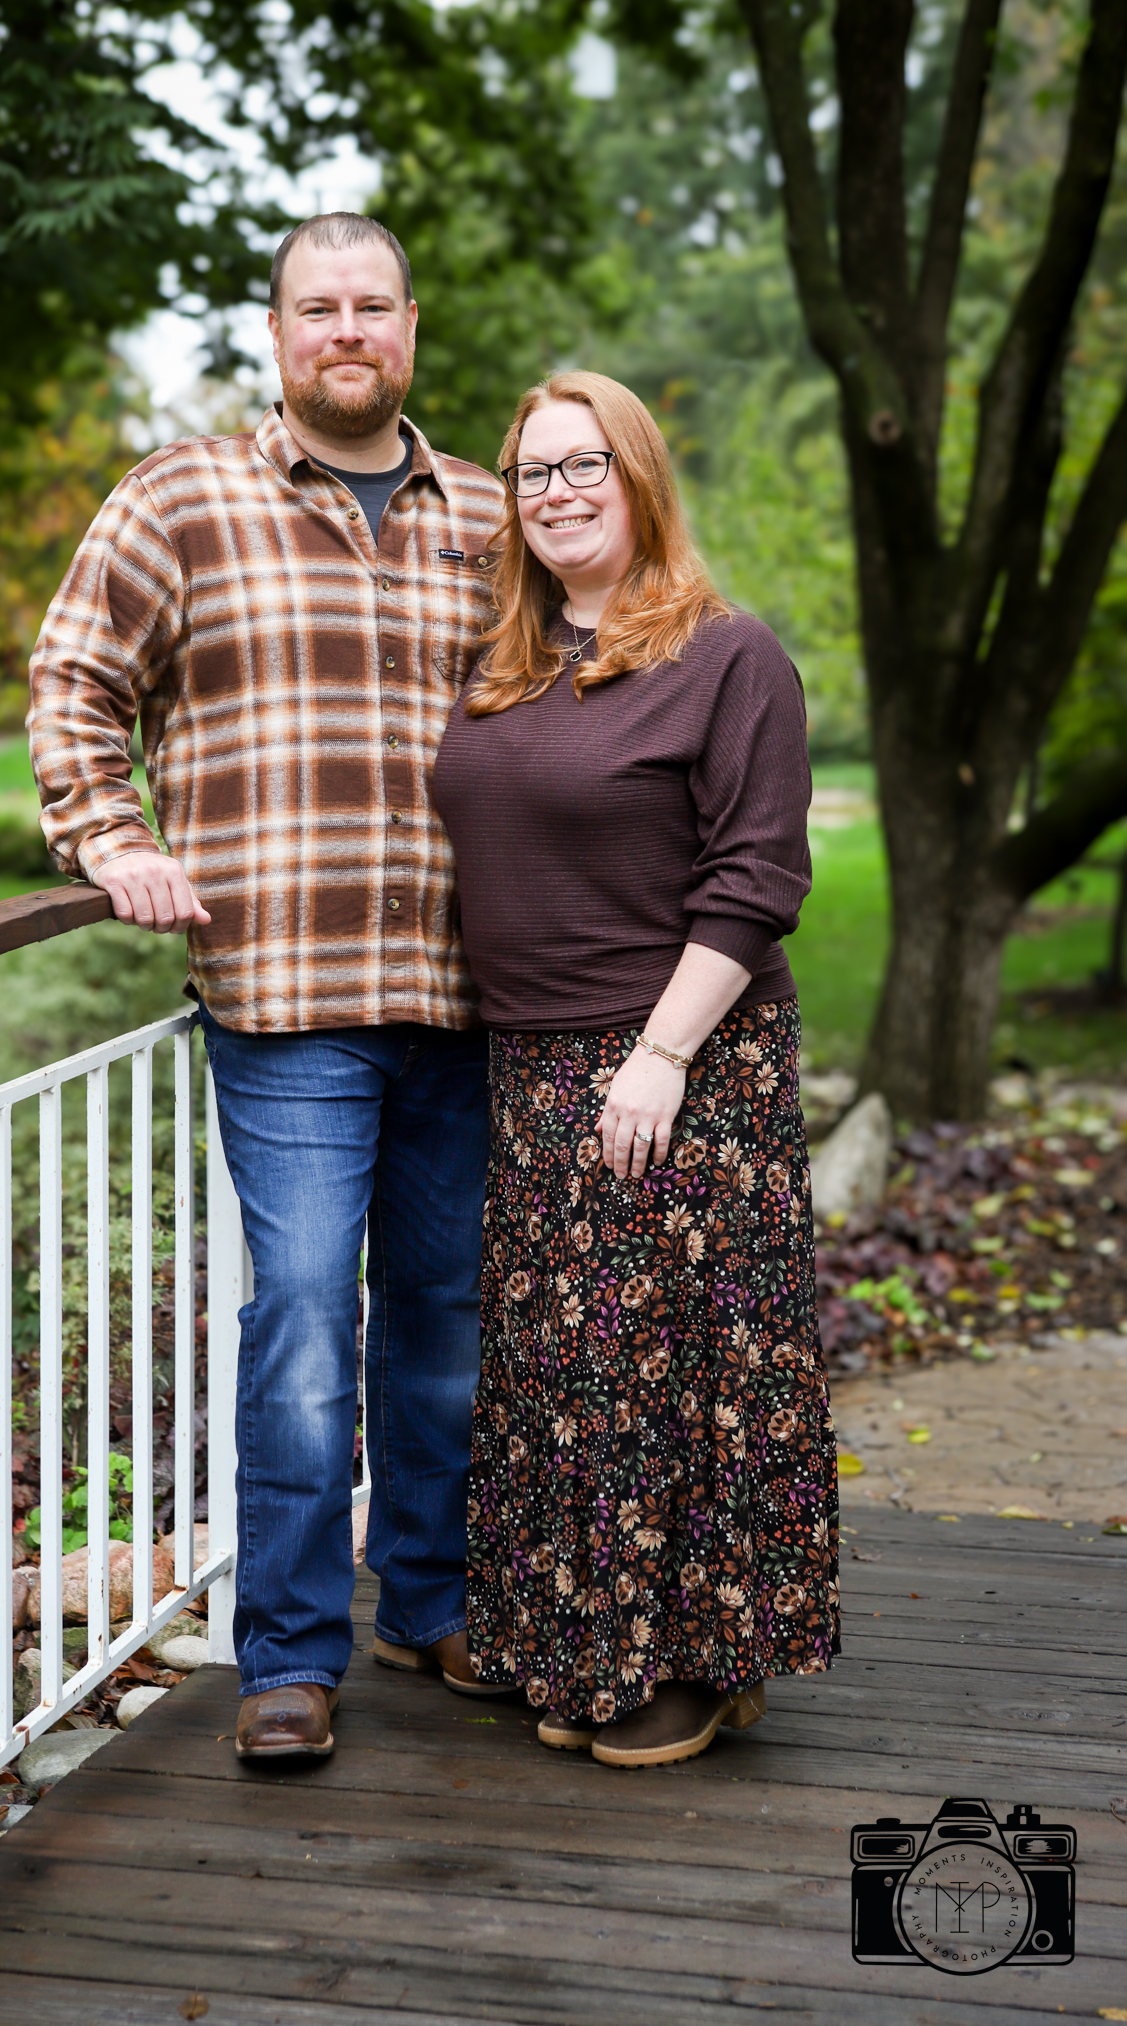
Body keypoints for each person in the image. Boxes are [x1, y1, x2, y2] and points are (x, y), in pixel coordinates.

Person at [28, 212, 509, 1764]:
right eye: (319, 307)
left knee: (445, 1321)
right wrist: (112, 837)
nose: (346, 330)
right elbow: (75, 679)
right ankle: (288, 1657)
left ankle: (428, 1602)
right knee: (303, 1318)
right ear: (278, 333)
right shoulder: (180, 498)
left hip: (470, 992)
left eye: (372, 305)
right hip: (285, 993)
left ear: (410, 328)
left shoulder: (493, 515)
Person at [433, 370, 840, 1768]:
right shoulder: (507, 663)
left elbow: (758, 875)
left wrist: (660, 1054)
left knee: (678, 1368)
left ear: (640, 476)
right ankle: (581, 1640)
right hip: (532, 1062)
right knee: (564, 1368)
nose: (555, 492)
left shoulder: (728, 657)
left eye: (583, 464)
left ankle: (697, 1658)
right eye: (531, 471)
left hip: (682, 1059)